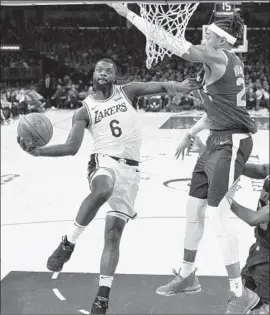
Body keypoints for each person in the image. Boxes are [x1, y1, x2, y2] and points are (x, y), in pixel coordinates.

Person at [17, 58, 198, 314]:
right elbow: (71, 147)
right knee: (102, 189)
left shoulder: (128, 91)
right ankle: (68, 243)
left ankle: (102, 295)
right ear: (93, 74)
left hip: (131, 172)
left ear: (115, 76)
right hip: (104, 163)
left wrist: (177, 86)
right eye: (100, 69)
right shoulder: (84, 110)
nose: (104, 72)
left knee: (113, 237)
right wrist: (39, 152)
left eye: (109, 70)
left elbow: (155, 86)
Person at [110, 4, 258, 313]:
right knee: (194, 210)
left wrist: (129, 14)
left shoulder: (217, 57)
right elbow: (217, 109)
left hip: (232, 143)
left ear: (222, 39)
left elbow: (171, 43)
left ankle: (239, 292)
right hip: (216, 140)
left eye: (211, 33)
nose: (206, 35)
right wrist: (191, 132)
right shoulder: (221, 64)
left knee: (218, 214)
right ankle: (188, 275)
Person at [191, 136, 269, 314]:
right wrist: (214, 156)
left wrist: (226, 199)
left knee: (262, 307)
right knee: (240, 298)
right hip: (259, 248)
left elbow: (253, 218)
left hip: (268, 258)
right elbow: (261, 169)